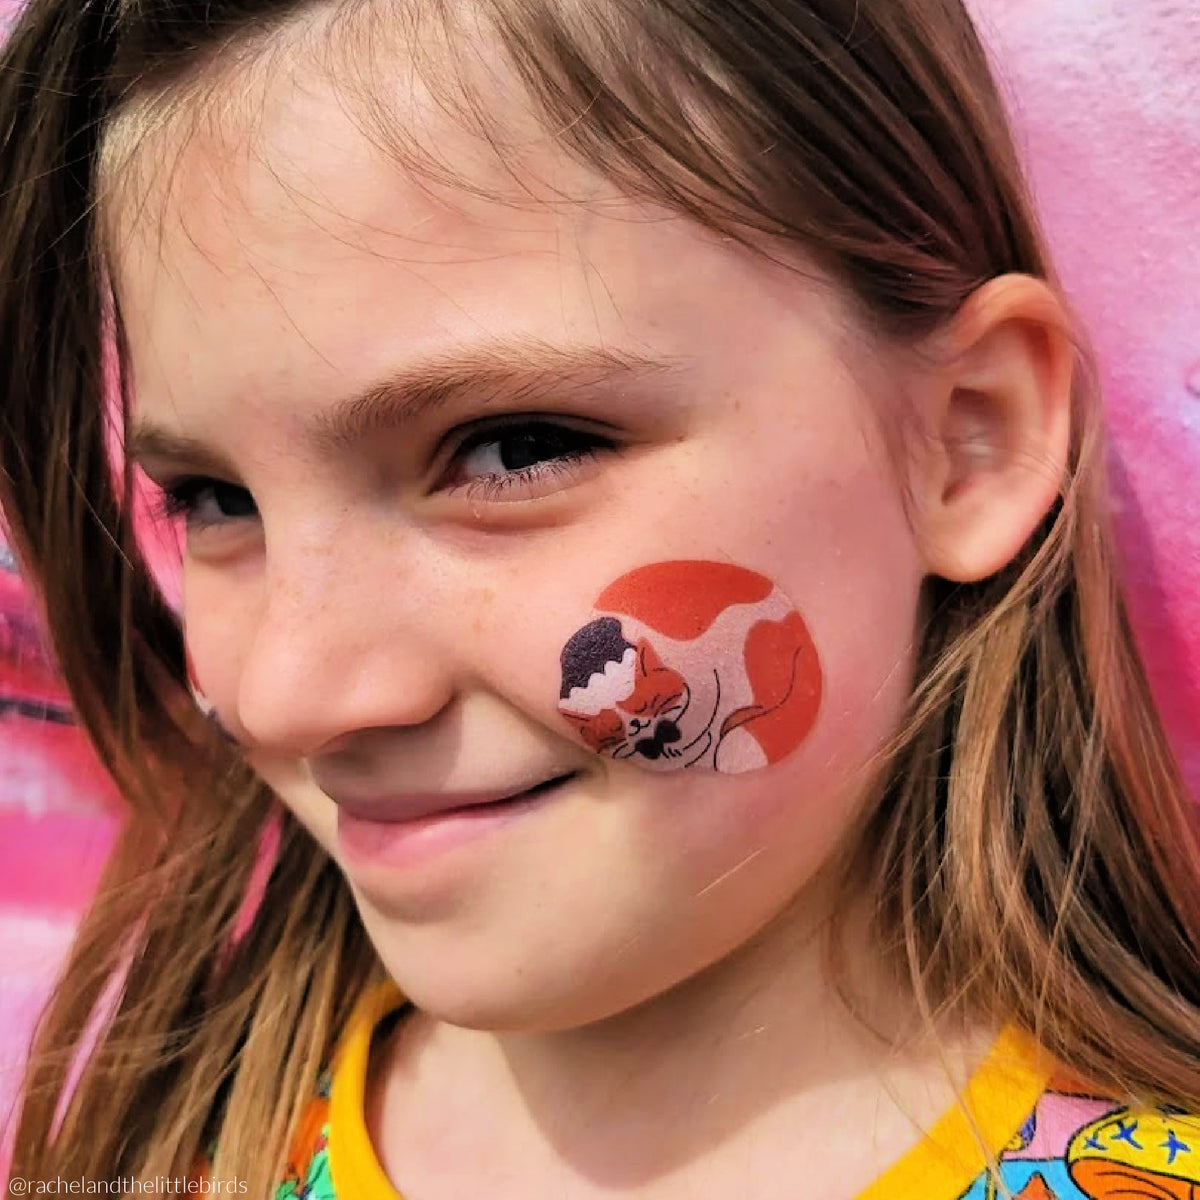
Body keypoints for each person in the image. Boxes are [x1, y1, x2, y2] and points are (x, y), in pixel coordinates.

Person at [1, 0, 1197, 1196]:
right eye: (215, 500)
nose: (289, 692)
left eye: (514, 448)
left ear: (966, 441)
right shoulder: (172, 1152)